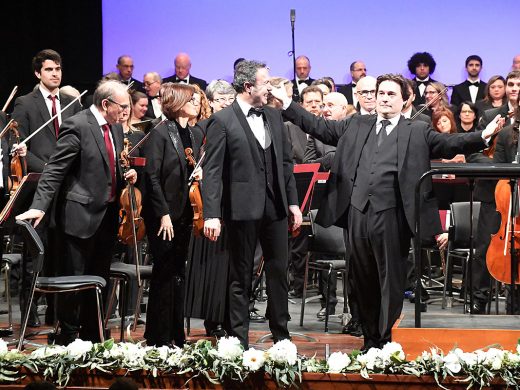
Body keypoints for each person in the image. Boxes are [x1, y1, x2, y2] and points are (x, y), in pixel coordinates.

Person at [273, 73, 501, 350]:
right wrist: (287, 103)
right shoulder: (357, 123)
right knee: (362, 278)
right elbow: (319, 126)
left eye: (392, 94)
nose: (384, 98)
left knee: (390, 280)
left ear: (405, 101)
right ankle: (370, 339)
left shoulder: (415, 130)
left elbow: (448, 144)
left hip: (392, 214)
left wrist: (483, 136)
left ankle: (384, 337)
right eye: (381, 93)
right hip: (357, 212)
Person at [16, 80, 138, 344]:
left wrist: (126, 172)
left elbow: (109, 165)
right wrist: (39, 205)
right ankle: (68, 339)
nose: (127, 111)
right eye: (123, 106)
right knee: (74, 282)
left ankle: (93, 338)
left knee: (99, 282)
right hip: (78, 217)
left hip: (106, 217)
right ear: (106, 104)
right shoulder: (78, 125)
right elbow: (54, 170)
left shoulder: (115, 129)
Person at [202, 60, 302, 348]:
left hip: (275, 208)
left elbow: (285, 165)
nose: (270, 88)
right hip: (241, 210)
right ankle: (237, 338)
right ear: (248, 87)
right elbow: (213, 172)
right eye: (265, 83)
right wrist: (211, 214)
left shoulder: (273, 116)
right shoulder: (223, 121)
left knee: (278, 272)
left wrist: (293, 204)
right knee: (240, 274)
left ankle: (281, 335)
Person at [12, 48, 82, 327]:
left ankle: (59, 315)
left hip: (68, 188)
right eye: (50, 70)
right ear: (38, 73)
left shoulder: (71, 102)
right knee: (36, 255)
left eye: (58, 69)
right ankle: (29, 316)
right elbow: (20, 147)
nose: (55, 74)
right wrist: (51, 169)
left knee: (62, 253)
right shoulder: (25, 102)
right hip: (38, 187)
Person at [141, 83, 204, 347]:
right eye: (192, 99)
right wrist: (163, 213)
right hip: (163, 214)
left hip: (186, 212)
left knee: (180, 271)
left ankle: (177, 335)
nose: (196, 103)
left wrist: (200, 175)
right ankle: (158, 336)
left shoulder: (195, 133)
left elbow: (194, 168)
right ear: (177, 101)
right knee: (164, 271)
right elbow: (151, 177)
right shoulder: (160, 133)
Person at [185, 79, 235, 338]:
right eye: (222, 99)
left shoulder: (238, 127)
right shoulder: (202, 129)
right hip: (208, 204)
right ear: (212, 103)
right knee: (213, 264)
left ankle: (229, 317)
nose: (227, 103)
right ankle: (212, 319)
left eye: (231, 98)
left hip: (233, 203)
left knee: (231, 265)